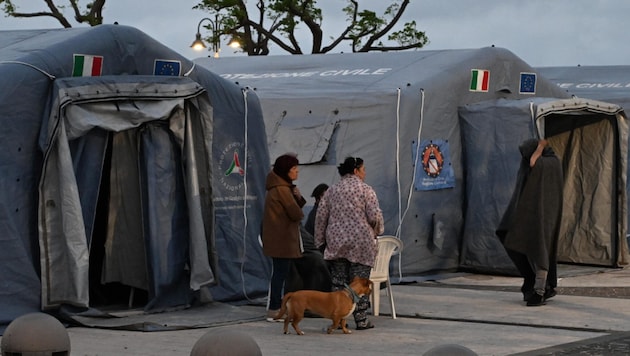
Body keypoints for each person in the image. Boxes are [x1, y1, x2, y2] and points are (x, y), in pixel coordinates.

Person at [314, 156, 384, 330]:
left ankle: (338, 320)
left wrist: (320, 242)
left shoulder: (331, 191)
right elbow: (374, 216)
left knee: (339, 283)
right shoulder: (366, 190)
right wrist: (378, 231)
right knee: (360, 283)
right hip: (361, 244)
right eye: (363, 169)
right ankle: (361, 320)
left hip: (337, 243)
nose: (364, 173)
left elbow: (321, 218)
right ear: (355, 171)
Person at [496, 138, 563, 306]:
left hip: (544, 215)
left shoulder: (547, 163)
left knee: (541, 250)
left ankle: (539, 291)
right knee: (515, 239)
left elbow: (534, 162)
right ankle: (537, 285)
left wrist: (540, 146)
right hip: (536, 213)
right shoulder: (548, 163)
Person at [261, 153, 306, 321]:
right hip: (282, 239)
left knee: (281, 273)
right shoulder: (281, 190)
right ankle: (274, 308)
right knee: (280, 274)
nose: (297, 172)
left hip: (279, 239)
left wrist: (298, 197)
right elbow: (296, 213)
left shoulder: (281, 188)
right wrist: (297, 199)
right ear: (286, 171)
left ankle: (279, 306)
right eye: (294, 169)